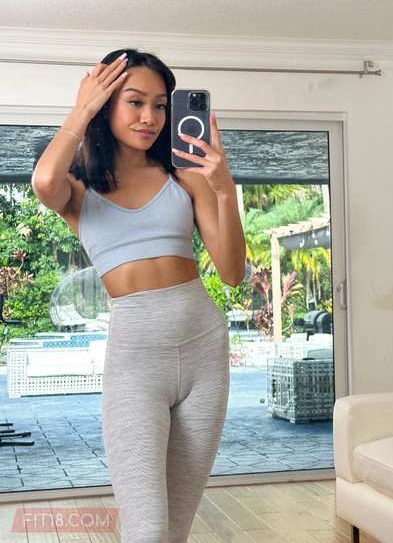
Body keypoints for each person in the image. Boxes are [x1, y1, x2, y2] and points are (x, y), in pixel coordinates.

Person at [32, 48, 246, 542]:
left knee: (175, 528)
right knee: (146, 529)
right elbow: (43, 181)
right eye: (134, 102)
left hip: (204, 348)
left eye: (160, 105)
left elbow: (232, 273)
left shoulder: (184, 176)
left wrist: (224, 190)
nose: (150, 117)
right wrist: (82, 107)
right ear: (106, 104)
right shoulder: (78, 188)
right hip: (136, 360)